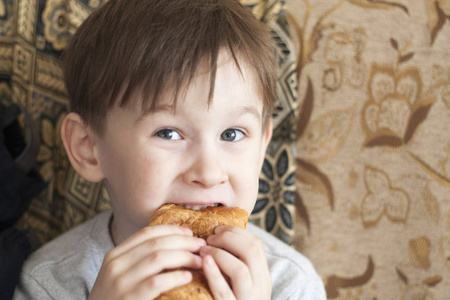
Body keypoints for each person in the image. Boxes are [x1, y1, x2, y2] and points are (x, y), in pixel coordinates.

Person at [14, 0, 326, 299]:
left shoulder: (289, 284)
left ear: (262, 148)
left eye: (232, 134)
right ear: (88, 148)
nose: (208, 173)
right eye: (169, 133)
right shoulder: (49, 282)